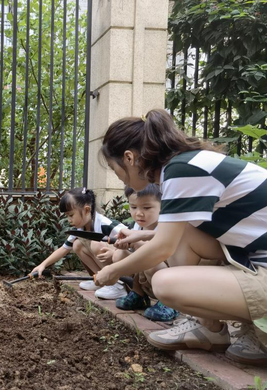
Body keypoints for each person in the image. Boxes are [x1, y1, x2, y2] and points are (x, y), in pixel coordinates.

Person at [96, 109, 267, 365]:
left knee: (166, 284)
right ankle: (208, 327)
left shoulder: (181, 170)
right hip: (252, 256)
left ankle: (257, 330)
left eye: (114, 168)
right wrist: (140, 235)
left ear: (129, 158)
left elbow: (163, 248)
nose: (118, 176)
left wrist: (112, 271)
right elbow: (178, 232)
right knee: (187, 232)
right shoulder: (185, 164)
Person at [31, 187, 127, 300]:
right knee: (77, 245)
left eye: (71, 215)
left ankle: (118, 286)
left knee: (96, 244)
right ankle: (101, 281)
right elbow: (64, 249)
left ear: (86, 210)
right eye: (67, 216)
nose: (69, 220)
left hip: (126, 270)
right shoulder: (80, 229)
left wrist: (114, 252)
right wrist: (43, 265)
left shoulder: (105, 224)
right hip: (114, 268)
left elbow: (133, 241)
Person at [113, 184, 179, 321]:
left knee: (149, 259)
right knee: (119, 255)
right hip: (148, 278)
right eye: (134, 207)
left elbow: (157, 251)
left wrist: (136, 242)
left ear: (163, 205)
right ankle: (139, 294)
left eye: (147, 208)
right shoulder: (138, 226)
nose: (139, 213)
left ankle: (169, 303)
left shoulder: (167, 226)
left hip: (171, 279)